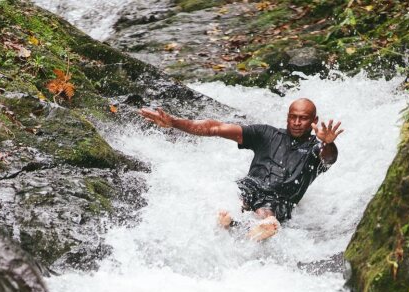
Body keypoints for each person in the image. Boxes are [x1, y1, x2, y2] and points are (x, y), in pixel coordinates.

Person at [139, 98, 343, 241]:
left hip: (279, 201)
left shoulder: (317, 149)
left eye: (303, 118)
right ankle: (229, 219)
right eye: (293, 117)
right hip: (249, 187)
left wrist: (328, 144)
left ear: (314, 121)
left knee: (267, 210)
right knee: (233, 199)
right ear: (287, 117)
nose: (297, 122)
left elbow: (329, 159)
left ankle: (265, 226)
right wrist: (174, 122)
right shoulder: (266, 134)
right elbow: (214, 128)